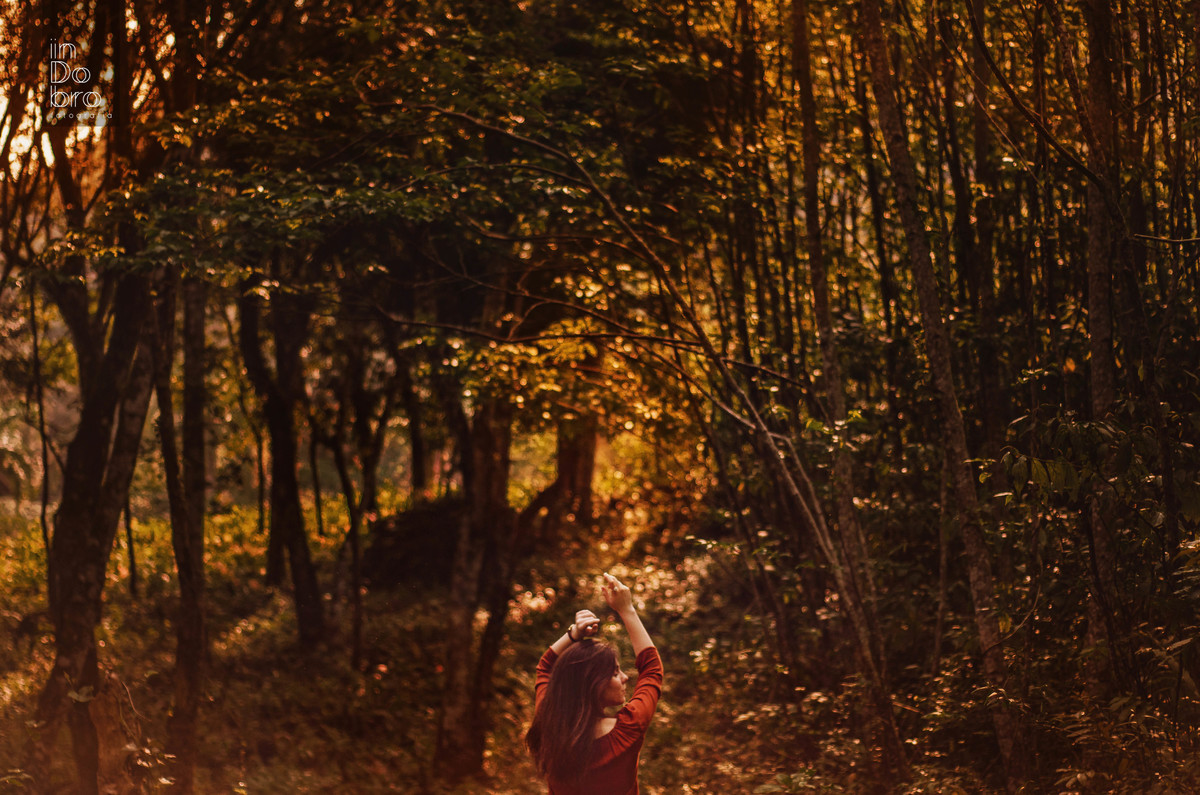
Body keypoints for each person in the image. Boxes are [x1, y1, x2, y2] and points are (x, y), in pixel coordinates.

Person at [526, 572, 663, 795]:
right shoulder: (626, 730)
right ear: (594, 684)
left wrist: (572, 635)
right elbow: (652, 669)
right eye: (615, 672)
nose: (625, 678)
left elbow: (545, 667)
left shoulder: (548, 725)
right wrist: (626, 610)